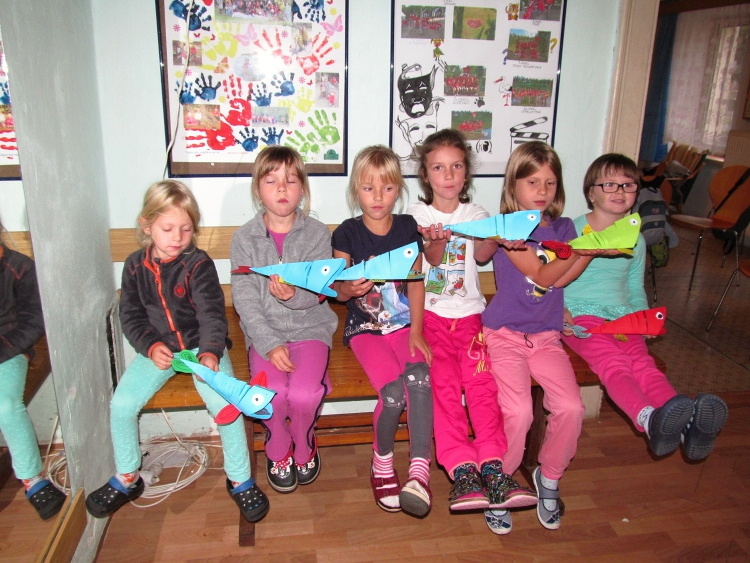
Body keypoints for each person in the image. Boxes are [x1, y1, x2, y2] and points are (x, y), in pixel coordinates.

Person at [85, 181, 268, 523]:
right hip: (159, 350)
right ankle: (128, 476)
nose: (177, 237)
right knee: (121, 404)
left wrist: (210, 352)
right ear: (147, 225)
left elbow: (212, 314)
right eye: (167, 228)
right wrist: (150, 345)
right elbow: (131, 316)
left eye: (186, 228)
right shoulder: (134, 266)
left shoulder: (198, 263)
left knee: (227, 406)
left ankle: (240, 479)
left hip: (201, 347)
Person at [407, 129, 536, 535]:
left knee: (481, 388)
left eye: (456, 166)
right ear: (426, 174)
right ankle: (462, 470)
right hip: (431, 318)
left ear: (466, 173)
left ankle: (494, 467)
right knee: (444, 389)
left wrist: (497, 238)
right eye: (438, 168)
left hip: (471, 318)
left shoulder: (476, 213)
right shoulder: (416, 215)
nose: (448, 175)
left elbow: (481, 255)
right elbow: (428, 259)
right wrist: (436, 241)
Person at [562, 153, 728, 461]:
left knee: (644, 365)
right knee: (614, 364)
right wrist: (559, 310)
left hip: (623, 317)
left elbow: (635, 285)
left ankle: (687, 425)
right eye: (609, 184)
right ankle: (649, 419)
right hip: (581, 317)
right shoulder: (571, 231)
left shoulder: (635, 239)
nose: (620, 191)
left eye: (628, 185)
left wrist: (643, 317)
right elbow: (552, 278)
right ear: (591, 193)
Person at [482, 141, 608, 532]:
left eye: (550, 183)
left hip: (547, 336)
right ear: (513, 185)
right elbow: (541, 275)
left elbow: (563, 280)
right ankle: (501, 482)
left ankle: (548, 476)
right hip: (504, 334)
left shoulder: (565, 228)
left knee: (571, 407)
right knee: (518, 411)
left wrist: (585, 252)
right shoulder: (507, 228)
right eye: (532, 182)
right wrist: (585, 250)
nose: (542, 190)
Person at [331, 145, 433, 518]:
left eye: (387, 188)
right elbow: (337, 290)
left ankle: (420, 470)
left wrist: (417, 330)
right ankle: (383, 460)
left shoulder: (407, 227)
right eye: (368, 188)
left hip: (404, 324)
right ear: (355, 190)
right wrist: (348, 287)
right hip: (365, 328)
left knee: (420, 377)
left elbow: (417, 280)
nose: (378, 197)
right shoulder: (347, 232)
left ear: (398, 189)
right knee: (392, 394)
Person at [231, 146, 337, 494]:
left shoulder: (317, 234)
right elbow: (245, 300)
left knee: (305, 395)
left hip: (311, 329)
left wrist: (294, 296)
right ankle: (277, 445)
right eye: (271, 181)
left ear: (302, 188)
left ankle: (304, 441)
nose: (281, 189)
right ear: (257, 189)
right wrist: (269, 343)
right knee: (271, 395)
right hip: (266, 335)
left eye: (291, 181)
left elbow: (320, 290)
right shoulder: (244, 239)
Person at [0, 218, 66, 520]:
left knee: (5, 405)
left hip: (10, 351)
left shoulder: (21, 268)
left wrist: (5, 349)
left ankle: (32, 479)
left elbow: (33, 321)